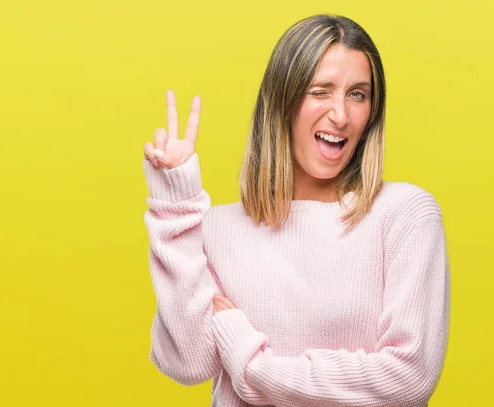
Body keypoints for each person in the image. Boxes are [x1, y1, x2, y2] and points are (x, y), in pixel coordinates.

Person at [142, 14, 449, 407]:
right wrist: (176, 206)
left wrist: (253, 367)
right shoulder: (217, 228)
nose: (341, 115)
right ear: (282, 102)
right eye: (320, 91)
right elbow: (184, 362)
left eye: (358, 94)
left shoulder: (405, 216)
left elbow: (408, 378)